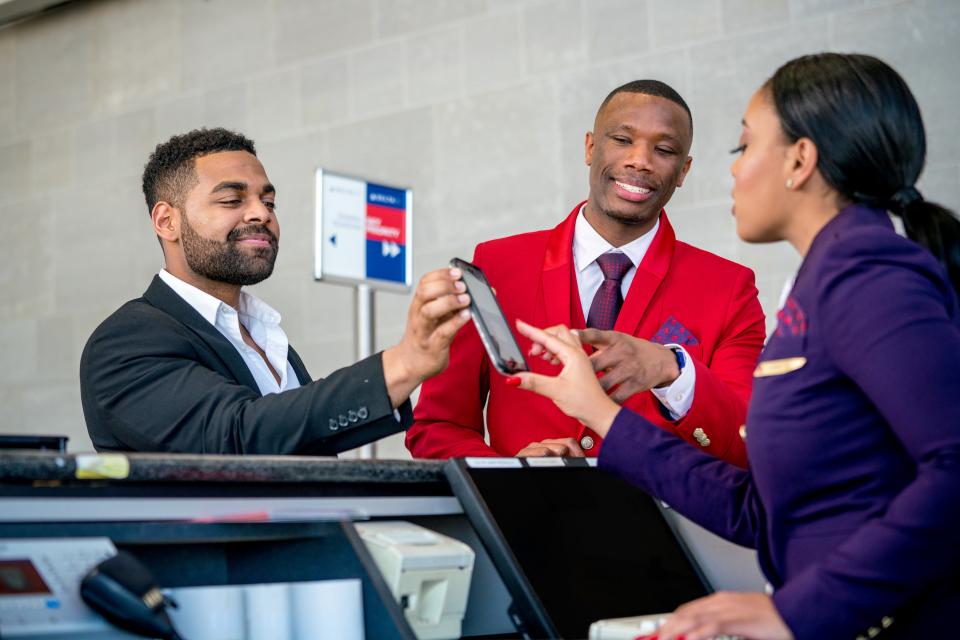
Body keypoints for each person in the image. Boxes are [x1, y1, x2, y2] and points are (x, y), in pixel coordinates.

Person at [511, 53, 960, 639]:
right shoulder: (820, 283)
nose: (735, 171)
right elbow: (762, 510)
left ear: (800, 160)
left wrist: (799, 611)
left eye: (744, 149)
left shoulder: (867, 272)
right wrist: (598, 412)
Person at [408, 80, 765, 465]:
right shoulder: (495, 265)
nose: (640, 160)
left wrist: (672, 368)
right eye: (622, 139)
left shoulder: (731, 289)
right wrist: (508, 472)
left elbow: (747, 443)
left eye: (663, 150)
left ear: (683, 170)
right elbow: (436, 426)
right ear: (590, 147)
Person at [80, 128, 471, 455]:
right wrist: (404, 363)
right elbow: (239, 435)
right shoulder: (124, 343)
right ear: (167, 221)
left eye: (269, 201)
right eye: (232, 200)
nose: (261, 213)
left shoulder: (263, 333)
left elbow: (299, 438)